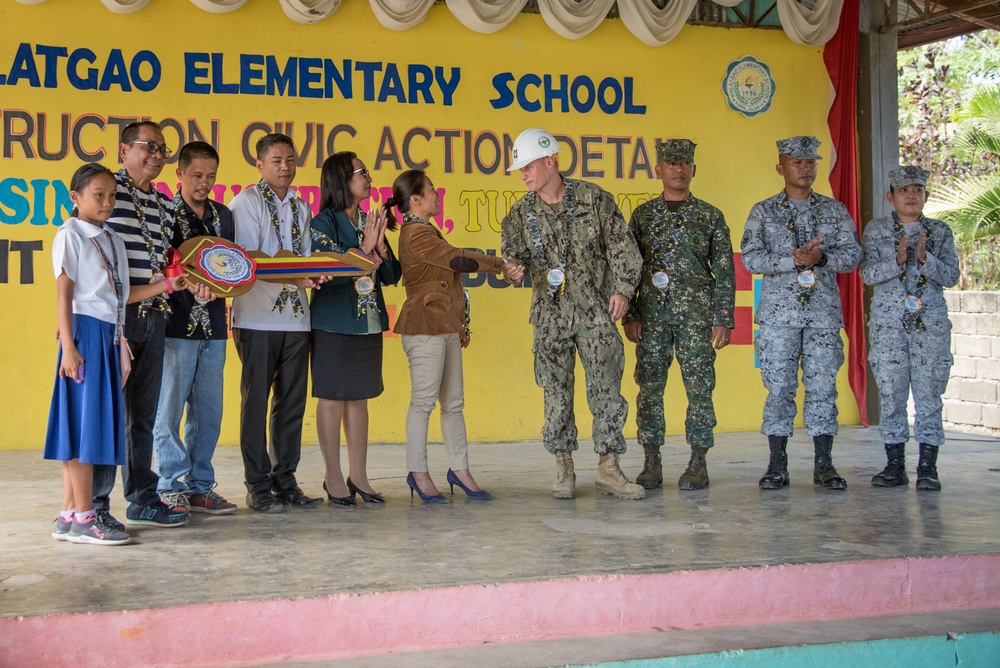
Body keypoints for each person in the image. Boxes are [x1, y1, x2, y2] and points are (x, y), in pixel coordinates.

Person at [500, 128, 644, 500]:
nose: (524, 175)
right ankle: (563, 467)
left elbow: (624, 250)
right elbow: (513, 257)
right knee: (555, 393)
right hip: (549, 317)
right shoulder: (519, 214)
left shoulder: (595, 200)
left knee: (606, 390)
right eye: (520, 169)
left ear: (551, 161)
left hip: (596, 311)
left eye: (528, 166)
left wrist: (623, 290)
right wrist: (513, 268)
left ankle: (609, 468)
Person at [46, 164, 186, 545]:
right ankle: (87, 516)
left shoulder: (112, 240)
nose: (107, 202)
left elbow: (123, 296)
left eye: (111, 196)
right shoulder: (71, 234)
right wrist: (70, 347)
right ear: (75, 197)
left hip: (111, 333)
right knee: (83, 426)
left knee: (92, 423)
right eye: (98, 195)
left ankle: (69, 514)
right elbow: (64, 292)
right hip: (85, 332)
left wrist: (167, 284)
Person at [94, 121, 203, 530]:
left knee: (143, 415)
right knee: (108, 413)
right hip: (114, 322)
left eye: (163, 149)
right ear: (123, 150)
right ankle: (95, 504)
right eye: (148, 147)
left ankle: (142, 497)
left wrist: (195, 283)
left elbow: (168, 264)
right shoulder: (105, 193)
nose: (157, 155)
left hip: (153, 317)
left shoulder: (161, 205)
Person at [391, 169, 522, 502]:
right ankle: (418, 473)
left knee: (453, 404)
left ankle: (459, 471)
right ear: (416, 199)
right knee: (423, 404)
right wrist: (499, 264)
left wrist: (460, 323)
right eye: (432, 191)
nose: (438, 195)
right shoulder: (416, 234)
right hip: (424, 328)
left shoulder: (425, 230)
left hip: (443, 327)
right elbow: (457, 259)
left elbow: (447, 280)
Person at [740, 136, 862, 490]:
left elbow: (853, 256)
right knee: (779, 389)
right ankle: (777, 465)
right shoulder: (763, 211)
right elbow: (750, 258)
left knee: (823, 388)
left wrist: (821, 258)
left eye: (810, 162)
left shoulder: (834, 210)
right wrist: (791, 260)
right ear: (781, 168)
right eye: (797, 162)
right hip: (779, 318)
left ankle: (824, 465)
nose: (805, 168)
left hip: (822, 317)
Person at [623, 139, 735, 491]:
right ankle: (651, 461)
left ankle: (698, 461)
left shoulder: (710, 215)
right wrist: (631, 313)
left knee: (700, 389)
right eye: (671, 163)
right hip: (653, 318)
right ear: (658, 170)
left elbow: (725, 270)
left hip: (696, 318)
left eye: (685, 163)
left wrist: (723, 317)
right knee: (649, 389)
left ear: (694, 169)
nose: (678, 169)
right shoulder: (642, 216)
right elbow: (629, 268)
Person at [230, 133, 323, 513]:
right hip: (255, 317)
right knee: (255, 404)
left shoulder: (301, 207)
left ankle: (286, 480)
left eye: (289, 159)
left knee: (291, 405)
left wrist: (318, 272)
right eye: (276, 160)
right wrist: (299, 277)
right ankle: (258, 485)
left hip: (297, 319)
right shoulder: (246, 202)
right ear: (259, 165)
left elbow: (303, 257)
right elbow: (248, 260)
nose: (284, 167)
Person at [309, 152, 401, 507]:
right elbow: (331, 274)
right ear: (342, 179)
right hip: (333, 320)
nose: (370, 178)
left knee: (359, 398)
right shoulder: (323, 223)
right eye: (363, 172)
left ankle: (358, 475)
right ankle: (333, 476)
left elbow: (391, 277)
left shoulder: (370, 218)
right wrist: (365, 248)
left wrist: (380, 248)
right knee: (332, 399)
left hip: (368, 322)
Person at [860, 166, 959, 491]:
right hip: (889, 328)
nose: (911, 195)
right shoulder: (876, 231)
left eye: (917, 190)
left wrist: (925, 259)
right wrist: (898, 261)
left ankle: (928, 468)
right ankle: (894, 466)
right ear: (891, 196)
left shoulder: (940, 231)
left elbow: (952, 277)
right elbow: (867, 275)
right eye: (904, 190)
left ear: (926, 196)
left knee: (929, 395)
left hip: (929, 328)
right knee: (891, 394)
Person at [152, 142, 237, 515]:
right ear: (180, 174)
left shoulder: (223, 215)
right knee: (168, 411)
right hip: (175, 325)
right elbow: (160, 268)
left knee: (208, 412)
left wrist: (222, 285)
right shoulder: (164, 213)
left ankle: (201, 485)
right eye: (198, 176)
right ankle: (170, 484)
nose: (205, 184)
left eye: (211, 177)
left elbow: (231, 265)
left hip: (215, 327)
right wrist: (185, 280)